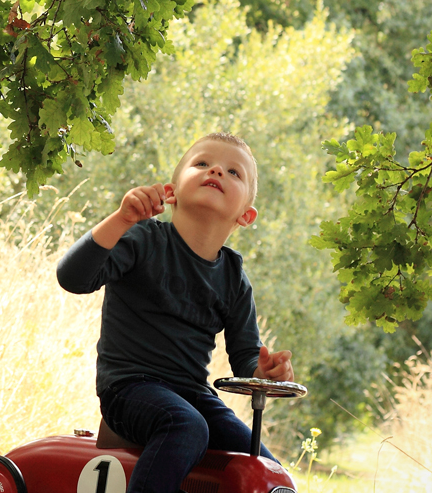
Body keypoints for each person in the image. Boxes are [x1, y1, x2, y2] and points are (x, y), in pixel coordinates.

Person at [56, 132, 295, 492]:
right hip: (129, 388)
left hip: (192, 395)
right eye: (201, 163)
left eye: (234, 172)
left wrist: (265, 371)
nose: (215, 170)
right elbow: (73, 278)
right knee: (186, 425)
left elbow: (246, 358)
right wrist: (121, 219)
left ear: (245, 215)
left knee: (264, 466)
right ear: (172, 192)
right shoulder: (142, 240)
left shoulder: (234, 278)